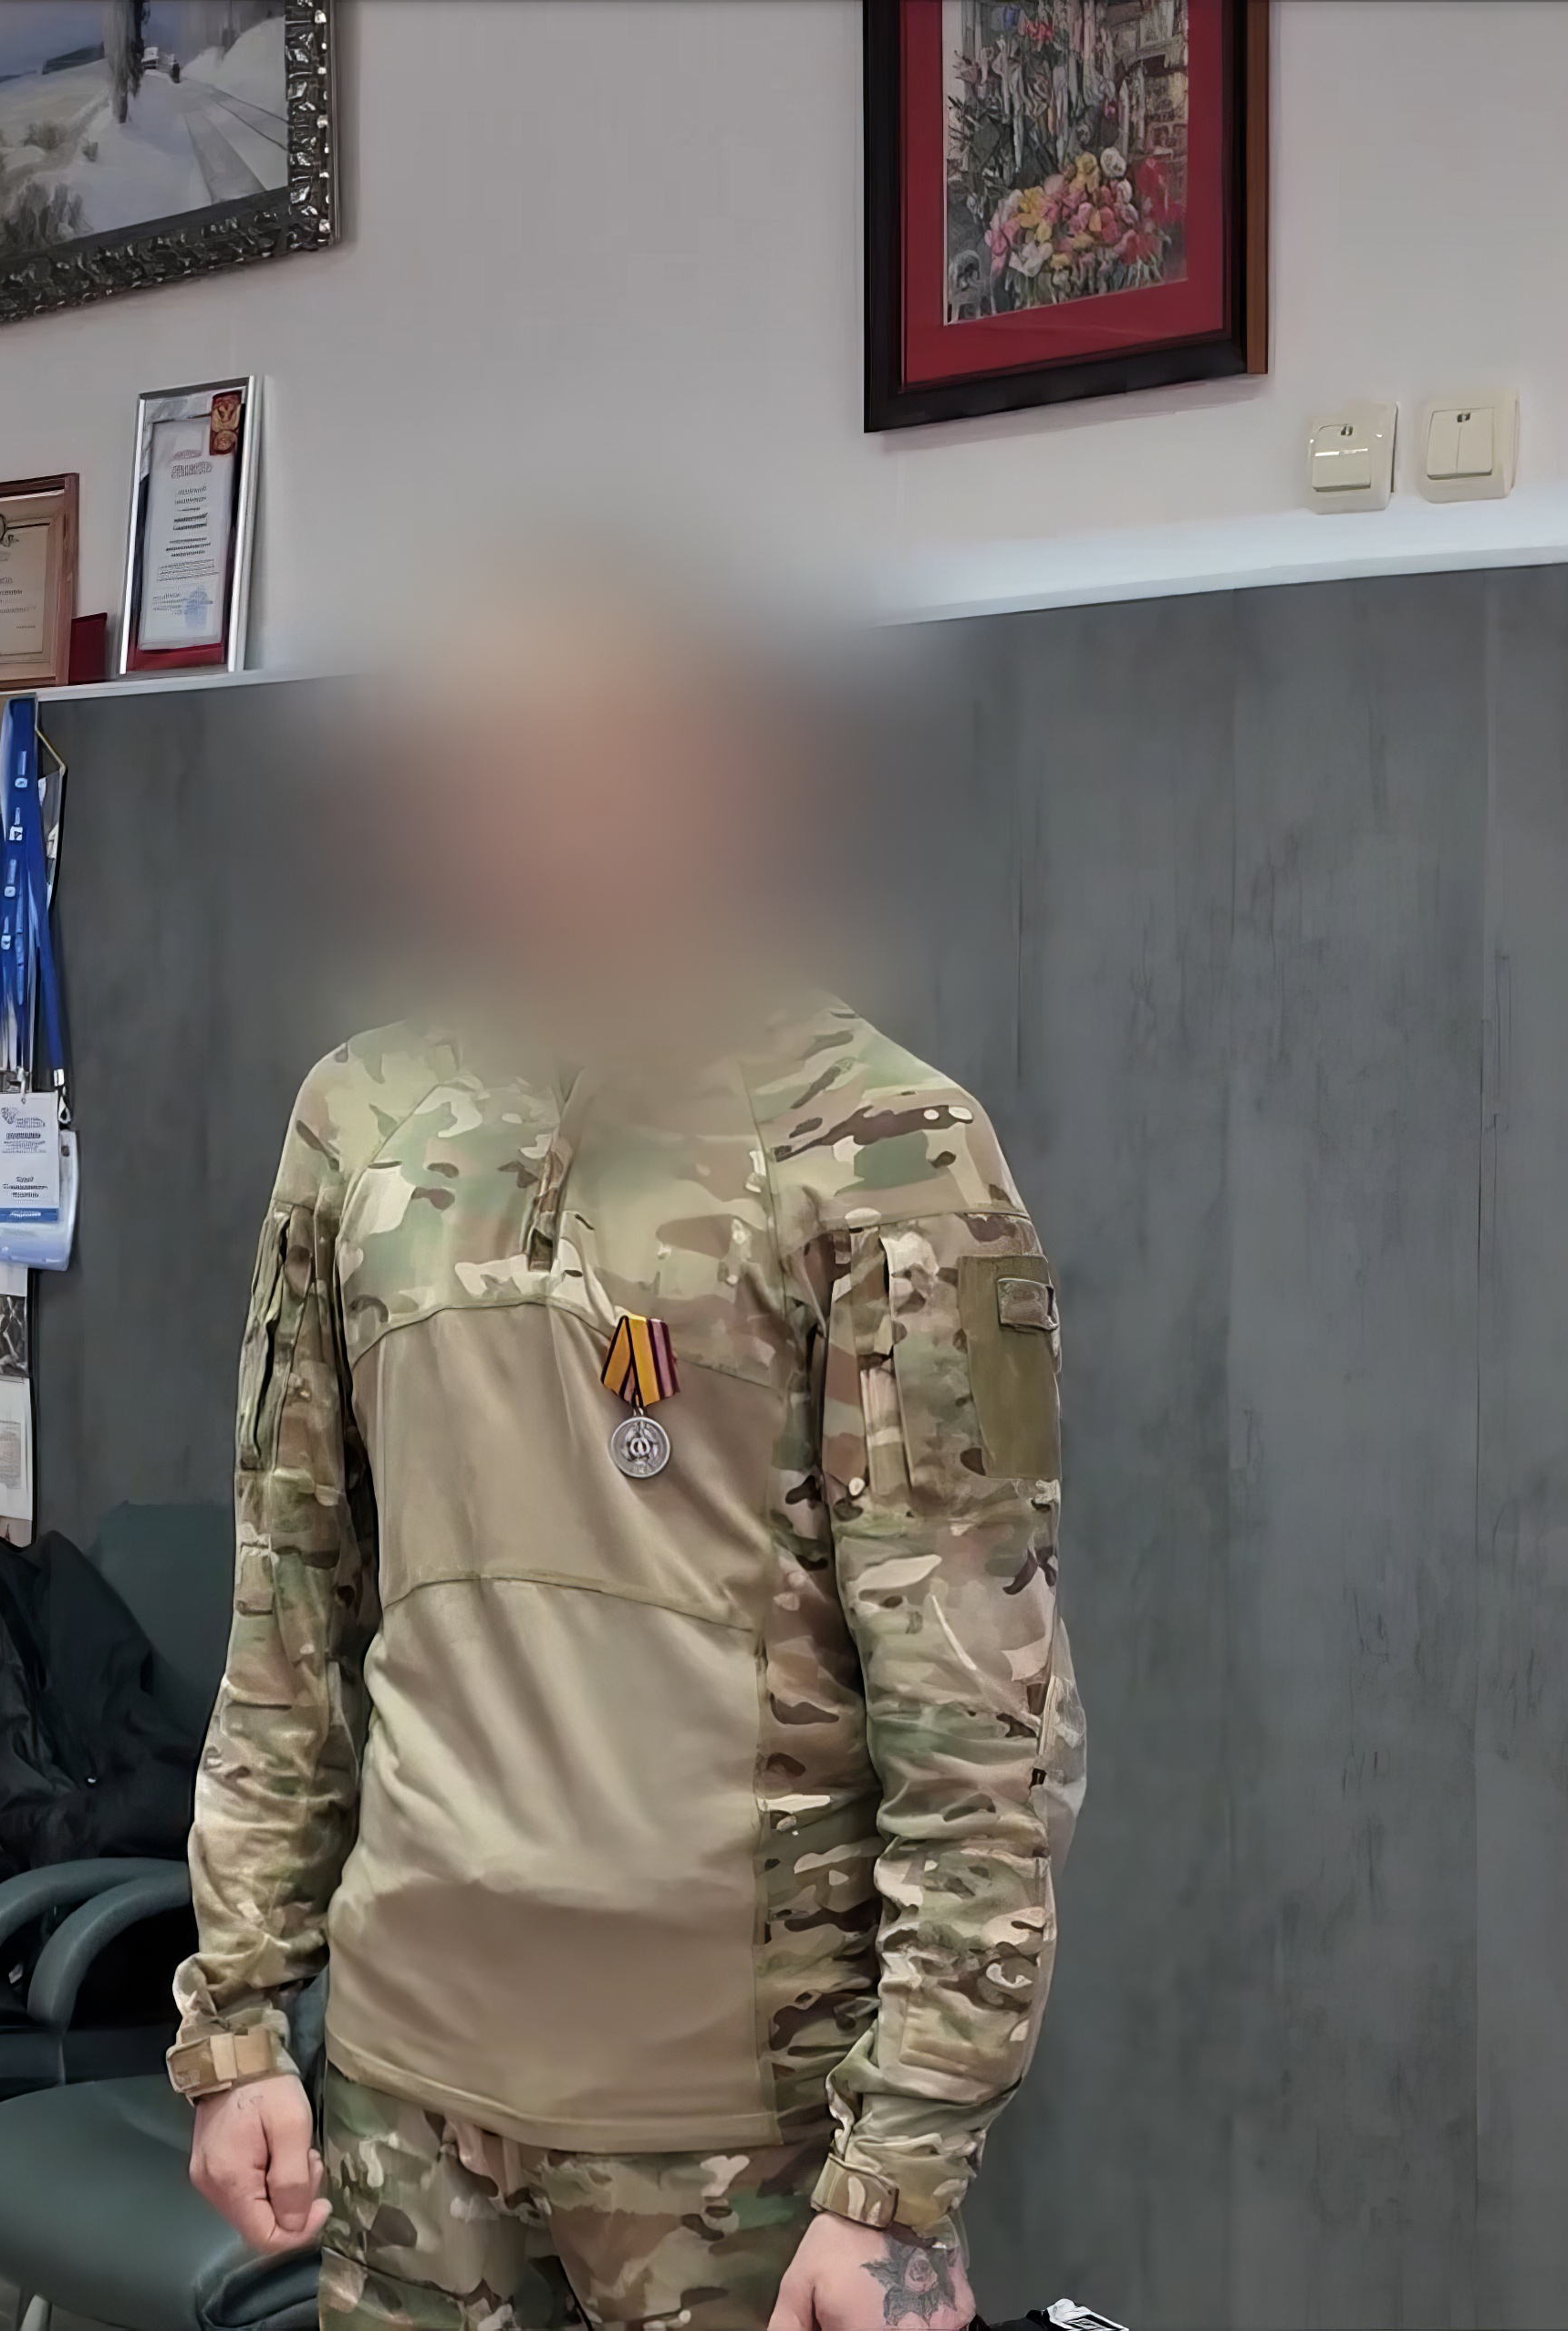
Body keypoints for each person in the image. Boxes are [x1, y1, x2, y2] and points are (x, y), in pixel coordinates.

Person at [170, 561, 1085, 2331]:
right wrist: (237, 2017)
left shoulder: (884, 1143)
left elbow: (982, 1705)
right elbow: (290, 1607)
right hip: (405, 2098)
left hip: (740, 2136)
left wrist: (903, 2175)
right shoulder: (360, 1117)